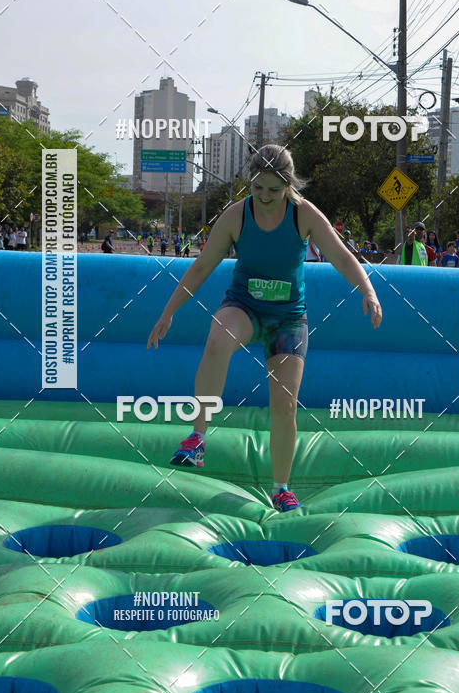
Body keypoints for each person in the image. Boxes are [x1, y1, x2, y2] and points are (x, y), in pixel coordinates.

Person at [147, 144, 382, 512]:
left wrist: (368, 291)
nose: (266, 197)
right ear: (250, 184)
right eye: (258, 189)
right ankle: (197, 437)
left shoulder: (303, 214)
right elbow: (202, 266)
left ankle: (281, 487)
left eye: (274, 190)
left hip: (288, 319)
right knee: (217, 337)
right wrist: (168, 312)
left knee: (284, 405)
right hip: (245, 307)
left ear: (288, 185)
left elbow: (340, 255)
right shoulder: (236, 216)